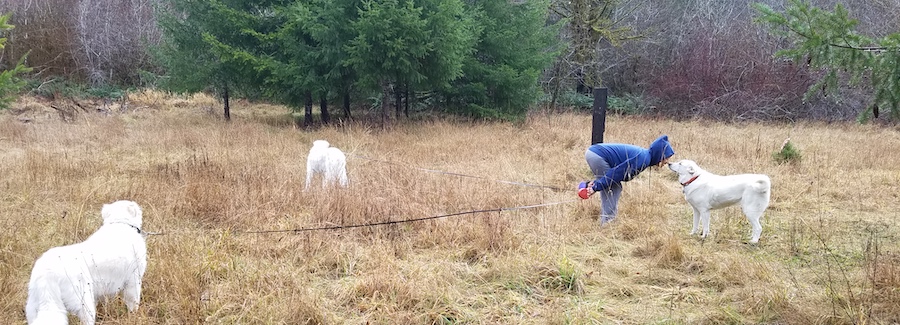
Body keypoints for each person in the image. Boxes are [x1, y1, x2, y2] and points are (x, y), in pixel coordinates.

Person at [579, 135, 675, 225]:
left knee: (612, 185)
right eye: (666, 157)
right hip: (597, 155)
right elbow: (617, 173)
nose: (666, 162)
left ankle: (587, 186)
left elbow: (617, 173)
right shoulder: (643, 159)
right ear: (659, 154)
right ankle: (608, 223)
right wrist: (596, 187)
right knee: (614, 187)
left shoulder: (645, 157)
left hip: (594, 153)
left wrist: (598, 184)